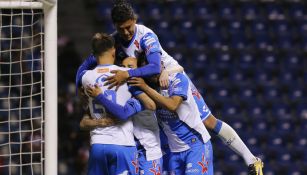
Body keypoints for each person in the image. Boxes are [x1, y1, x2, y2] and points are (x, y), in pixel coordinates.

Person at [75, 1, 263, 174]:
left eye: (129, 27)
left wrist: (128, 74)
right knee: (162, 124)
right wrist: (80, 88)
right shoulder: (114, 40)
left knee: (207, 122)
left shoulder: (146, 35)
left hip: (170, 75)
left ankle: (251, 159)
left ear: (135, 20)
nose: (126, 32)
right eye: (121, 28)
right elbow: (85, 67)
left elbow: (156, 67)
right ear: (115, 25)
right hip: (149, 83)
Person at [81, 33, 146, 175]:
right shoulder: (127, 73)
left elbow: (80, 74)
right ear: (113, 50)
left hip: (98, 143)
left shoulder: (86, 77)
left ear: (94, 53)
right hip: (122, 143)